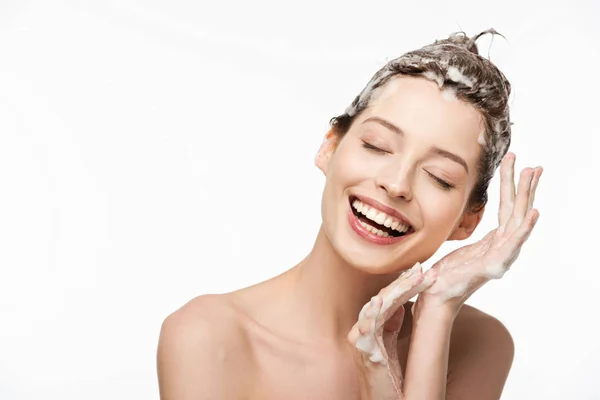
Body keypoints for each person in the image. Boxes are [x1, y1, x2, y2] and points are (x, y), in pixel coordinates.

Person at [156, 29, 543, 400]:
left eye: (439, 178)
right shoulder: (208, 337)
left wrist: (436, 312)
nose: (396, 184)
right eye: (377, 146)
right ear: (330, 148)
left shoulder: (477, 345)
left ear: (467, 220)